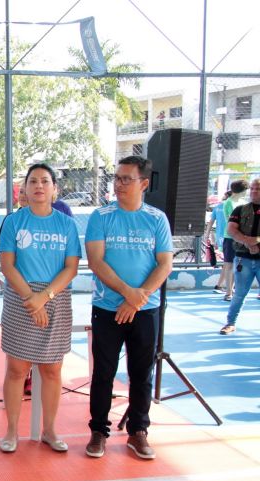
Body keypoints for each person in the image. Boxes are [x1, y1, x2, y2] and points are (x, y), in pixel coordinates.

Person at [85, 155, 173, 460]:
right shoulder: (101, 216)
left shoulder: (156, 219)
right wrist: (127, 295)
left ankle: (138, 431)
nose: (119, 184)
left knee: (141, 372)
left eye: (127, 179)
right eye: (117, 178)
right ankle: (98, 430)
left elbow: (165, 263)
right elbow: (96, 261)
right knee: (104, 372)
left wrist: (139, 298)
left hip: (145, 310)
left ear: (144, 183)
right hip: (108, 308)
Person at [0, 163, 81, 453]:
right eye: (33, 181)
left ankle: (49, 430)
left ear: (55, 188)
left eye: (45, 181)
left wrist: (45, 296)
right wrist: (30, 298)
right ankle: (11, 432)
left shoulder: (67, 224)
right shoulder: (14, 222)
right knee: (17, 369)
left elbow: (72, 267)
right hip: (20, 298)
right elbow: (7, 264)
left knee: (52, 370)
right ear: (25, 188)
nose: (39, 186)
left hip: (55, 296)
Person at [219, 178, 260, 335]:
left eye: (258, 189)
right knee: (239, 294)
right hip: (244, 260)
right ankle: (230, 323)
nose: (254, 191)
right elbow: (232, 230)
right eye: (253, 188)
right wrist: (248, 243)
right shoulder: (240, 210)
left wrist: (256, 241)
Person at [221, 180, 249, 301]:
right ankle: (228, 292)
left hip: (242, 237)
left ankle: (236, 290)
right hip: (230, 237)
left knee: (240, 264)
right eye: (246, 189)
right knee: (229, 264)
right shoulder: (228, 203)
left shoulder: (244, 202)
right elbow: (230, 220)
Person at [205, 191, 231, 292]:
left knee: (227, 263)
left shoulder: (218, 207)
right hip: (230, 237)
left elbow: (211, 222)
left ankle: (220, 285)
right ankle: (223, 286)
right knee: (230, 263)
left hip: (220, 238)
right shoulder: (232, 206)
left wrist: (207, 235)